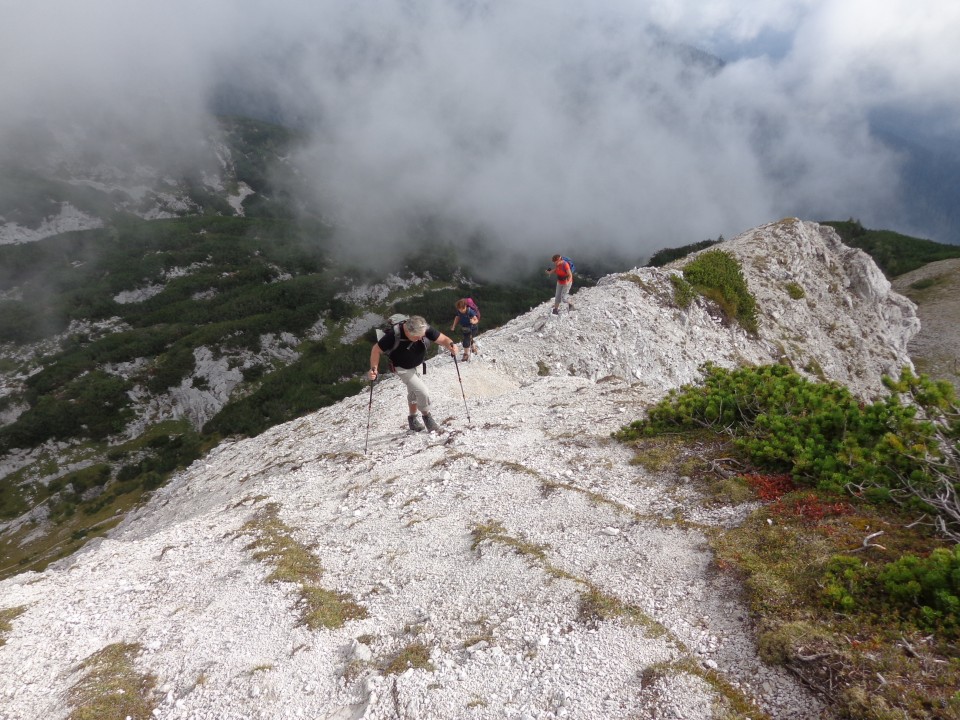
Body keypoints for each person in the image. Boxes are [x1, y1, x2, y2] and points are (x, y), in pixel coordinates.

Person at [368, 315, 457, 433]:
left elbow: (443, 339)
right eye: (416, 337)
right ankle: (427, 417)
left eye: (422, 336)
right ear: (407, 331)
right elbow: (376, 350)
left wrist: (451, 345)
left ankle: (412, 419)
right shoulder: (394, 335)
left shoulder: (424, 328)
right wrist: (374, 369)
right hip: (402, 367)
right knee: (422, 391)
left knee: (413, 391)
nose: (420, 338)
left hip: (418, 364)